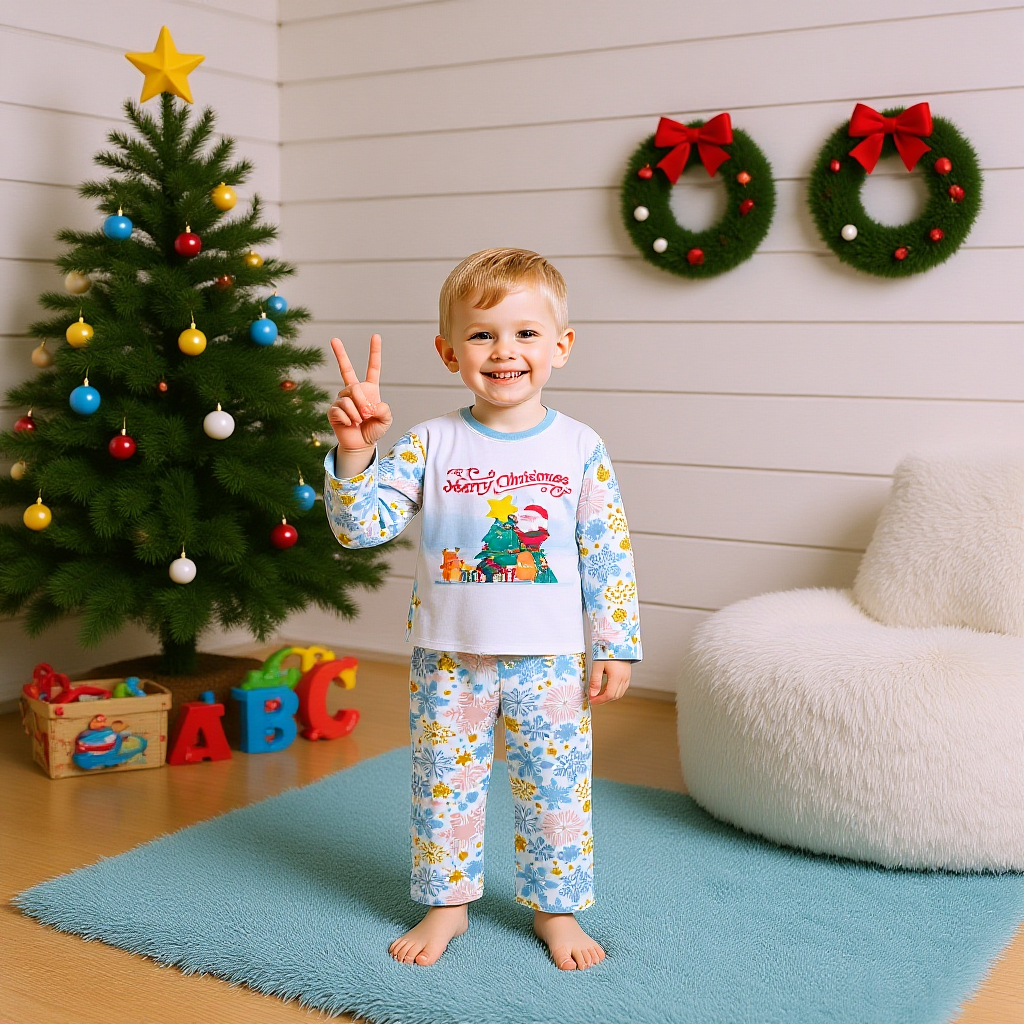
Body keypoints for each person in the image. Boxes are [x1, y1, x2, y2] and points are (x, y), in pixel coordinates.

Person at [323, 248, 642, 971]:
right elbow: (359, 528)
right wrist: (352, 453)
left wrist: (615, 643)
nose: (505, 351)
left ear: (561, 345)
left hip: (553, 658)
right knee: (444, 784)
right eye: (482, 335)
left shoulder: (579, 446)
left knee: (556, 793)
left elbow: (607, 550)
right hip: (449, 655)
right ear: (448, 351)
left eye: (527, 333)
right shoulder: (430, 443)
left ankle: (556, 911)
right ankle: (447, 906)